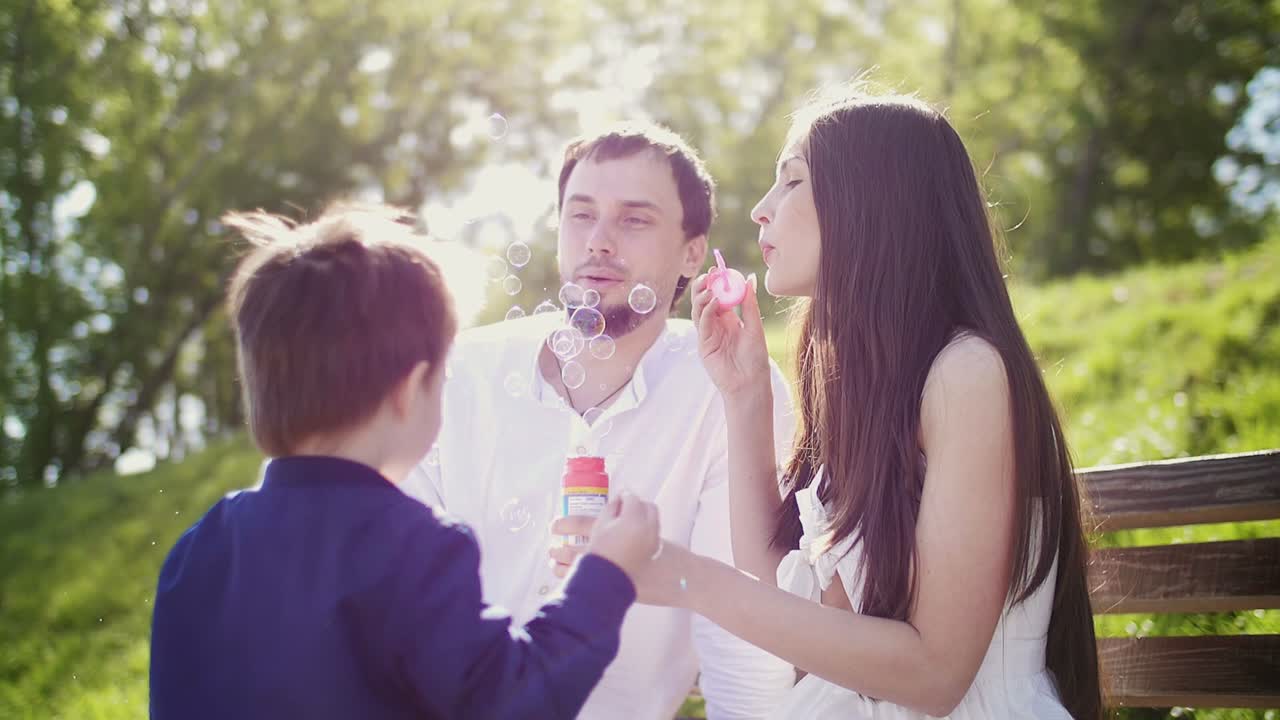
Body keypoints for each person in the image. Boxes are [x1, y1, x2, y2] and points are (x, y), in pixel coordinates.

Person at [624, 89, 1104, 719]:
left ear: (872, 204)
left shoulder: (969, 374)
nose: (763, 211)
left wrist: (684, 577)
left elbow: (936, 676)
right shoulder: (864, 385)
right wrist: (741, 398)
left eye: (791, 181)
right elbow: (781, 592)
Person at [149, 203, 662, 720]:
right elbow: (512, 701)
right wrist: (605, 573)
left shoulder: (197, 552)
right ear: (409, 391)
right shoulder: (416, 549)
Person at [405, 123, 794, 719]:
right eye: (580, 216)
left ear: (694, 251)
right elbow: (393, 601)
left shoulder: (728, 387)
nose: (599, 242)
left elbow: (744, 644)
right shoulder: (459, 375)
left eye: (634, 220)